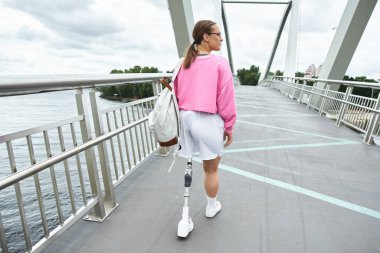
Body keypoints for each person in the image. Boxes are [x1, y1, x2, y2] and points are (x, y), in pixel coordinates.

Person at [174, 20, 236, 235]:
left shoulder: (183, 62)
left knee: (189, 164)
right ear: (205, 37)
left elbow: (176, 93)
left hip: (185, 119)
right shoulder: (219, 63)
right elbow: (226, 98)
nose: (221, 38)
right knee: (210, 169)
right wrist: (229, 125)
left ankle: (185, 216)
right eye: (218, 34)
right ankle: (211, 207)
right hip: (207, 120)